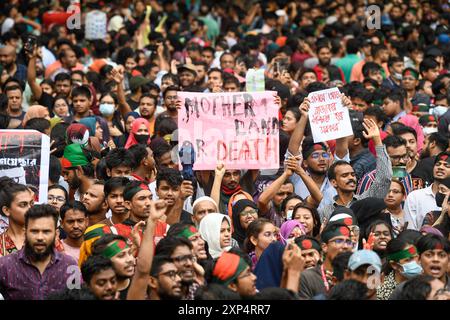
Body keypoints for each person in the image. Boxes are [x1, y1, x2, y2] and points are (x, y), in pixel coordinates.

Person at [320, 118, 392, 222]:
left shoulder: (366, 200)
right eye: (344, 175)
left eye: (352, 174)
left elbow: (384, 178)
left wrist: (377, 139)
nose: (351, 178)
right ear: (333, 182)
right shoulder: (325, 211)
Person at [0, 205, 78, 300]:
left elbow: (78, 296)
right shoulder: (5, 266)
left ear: (56, 234)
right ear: (25, 232)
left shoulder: (71, 265)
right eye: (34, 231)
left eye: (46, 232)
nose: (40, 237)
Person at [298, 222, 352, 299]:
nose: (345, 246)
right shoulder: (307, 277)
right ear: (324, 247)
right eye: (339, 241)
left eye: (348, 242)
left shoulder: (356, 275)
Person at [404, 152, 450, 230]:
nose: (441, 167)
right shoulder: (415, 197)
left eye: (446, 165)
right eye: (438, 164)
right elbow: (410, 231)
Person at [92, 234, 136, 300]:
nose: (130, 259)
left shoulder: (143, 287)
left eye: (130, 253)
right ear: (104, 262)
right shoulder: (96, 295)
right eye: (121, 256)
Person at [0, 183, 34, 256]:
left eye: (31, 203)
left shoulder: (45, 238)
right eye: (23, 204)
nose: (30, 209)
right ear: (6, 210)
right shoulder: (1, 242)